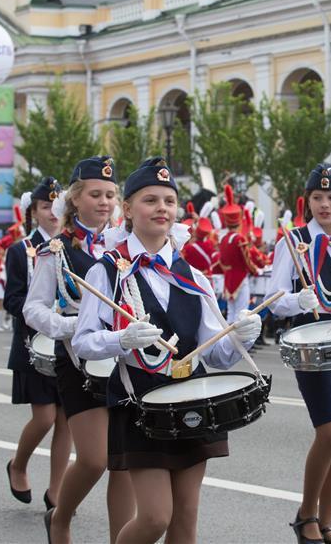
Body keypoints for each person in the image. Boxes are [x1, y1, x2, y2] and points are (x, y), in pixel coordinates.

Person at [72, 157, 262, 544]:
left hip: (194, 401)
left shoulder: (192, 275)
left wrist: (242, 335)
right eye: (150, 200)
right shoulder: (107, 271)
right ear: (127, 209)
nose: (162, 208)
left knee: (185, 519)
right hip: (140, 406)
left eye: (169, 201)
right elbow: (82, 343)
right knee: (156, 517)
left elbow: (218, 354)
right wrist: (120, 340)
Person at [23, 157, 134, 544]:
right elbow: (33, 308)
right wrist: (72, 324)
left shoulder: (125, 245)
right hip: (79, 359)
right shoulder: (57, 250)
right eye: (95, 194)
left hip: (123, 358)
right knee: (94, 459)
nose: (104, 201)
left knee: (123, 463)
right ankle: (61, 517)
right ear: (75, 199)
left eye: (110, 194)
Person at [266, 163, 331, 544]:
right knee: (327, 431)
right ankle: (305, 514)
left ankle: (327, 522)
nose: (325, 204)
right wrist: (297, 299)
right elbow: (274, 302)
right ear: (307, 202)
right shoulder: (292, 242)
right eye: (318, 197)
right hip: (309, 343)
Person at [3, 176, 71, 514]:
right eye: (45, 207)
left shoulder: (72, 247)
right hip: (33, 343)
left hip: (68, 344)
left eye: (57, 206)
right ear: (34, 211)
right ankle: (18, 464)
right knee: (44, 417)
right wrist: (43, 312)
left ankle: (57, 490)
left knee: (67, 420)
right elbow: (12, 299)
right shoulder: (21, 249)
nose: (52, 213)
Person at [217, 185, 260, 323]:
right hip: (241, 277)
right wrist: (255, 271)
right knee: (242, 312)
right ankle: (237, 343)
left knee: (231, 313)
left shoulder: (223, 239)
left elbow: (221, 261)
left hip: (228, 279)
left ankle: (229, 341)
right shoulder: (240, 239)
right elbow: (247, 260)